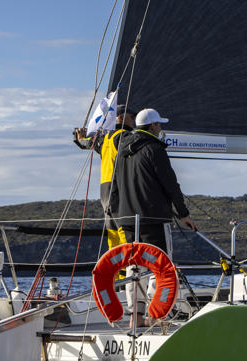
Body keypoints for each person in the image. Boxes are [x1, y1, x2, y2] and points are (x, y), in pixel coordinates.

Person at [110, 108, 197, 254]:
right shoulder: (155, 149)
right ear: (152, 126)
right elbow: (170, 185)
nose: (160, 128)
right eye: (159, 124)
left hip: (127, 220)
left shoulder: (122, 151)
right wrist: (183, 214)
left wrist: (120, 215)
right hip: (153, 220)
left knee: (134, 264)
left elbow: (115, 185)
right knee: (159, 262)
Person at [73, 105, 136, 249]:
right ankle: (128, 262)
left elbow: (86, 143)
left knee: (113, 232)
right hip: (119, 188)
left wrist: (80, 138)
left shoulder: (105, 139)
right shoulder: (124, 137)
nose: (135, 121)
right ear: (120, 117)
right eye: (132, 117)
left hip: (105, 190)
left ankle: (116, 263)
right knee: (124, 229)